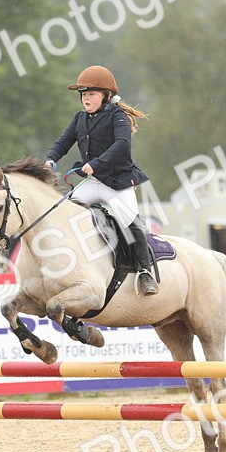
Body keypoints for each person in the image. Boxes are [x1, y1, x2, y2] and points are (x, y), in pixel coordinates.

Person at [46, 65, 158, 296]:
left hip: (117, 183)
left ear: (105, 95)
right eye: (83, 95)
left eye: (91, 94)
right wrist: (50, 159)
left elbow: (122, 145)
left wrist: (96, 163)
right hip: (93, 182)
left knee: (130, 221)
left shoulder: (117, 116)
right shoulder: (80, 118)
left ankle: (144, 272)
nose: (85, 99)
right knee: (63, 212)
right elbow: (63, 142)